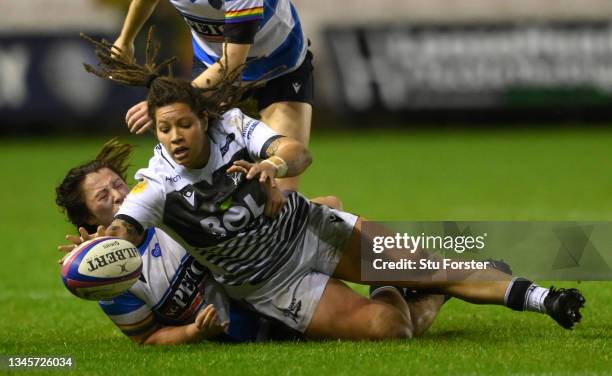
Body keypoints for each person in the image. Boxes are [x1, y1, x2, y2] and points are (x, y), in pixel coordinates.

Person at [84, 41, 585, 341]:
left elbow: (298, 152)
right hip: (274, 286)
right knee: (390, 329)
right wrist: (101, 250)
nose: (174, 137)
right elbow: (127, 226)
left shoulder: (234, 126)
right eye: (165, 130)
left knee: (440, 266)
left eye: (184, 125)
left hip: (312, 230)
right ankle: (417, 295)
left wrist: (275, 164)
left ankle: (544, 299)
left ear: (204, 119)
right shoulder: (156, 185)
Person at [55, 139, 303, 345]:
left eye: (118, 184)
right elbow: (147, 337)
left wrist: (268, 188)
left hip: (278, 290)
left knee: (326, 204)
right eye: (102, 196)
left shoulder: (169, 209)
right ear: (87, 216)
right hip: (247, 334)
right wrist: (194, 332)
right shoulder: (108, 276)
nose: (118, 195)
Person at [113, 0, 313, 191]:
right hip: (211, 64)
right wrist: (125, 39)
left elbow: (232, 64)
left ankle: (329, 211)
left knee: (282, 190)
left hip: (280, 68)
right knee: (199, 177)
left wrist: (172, 102)